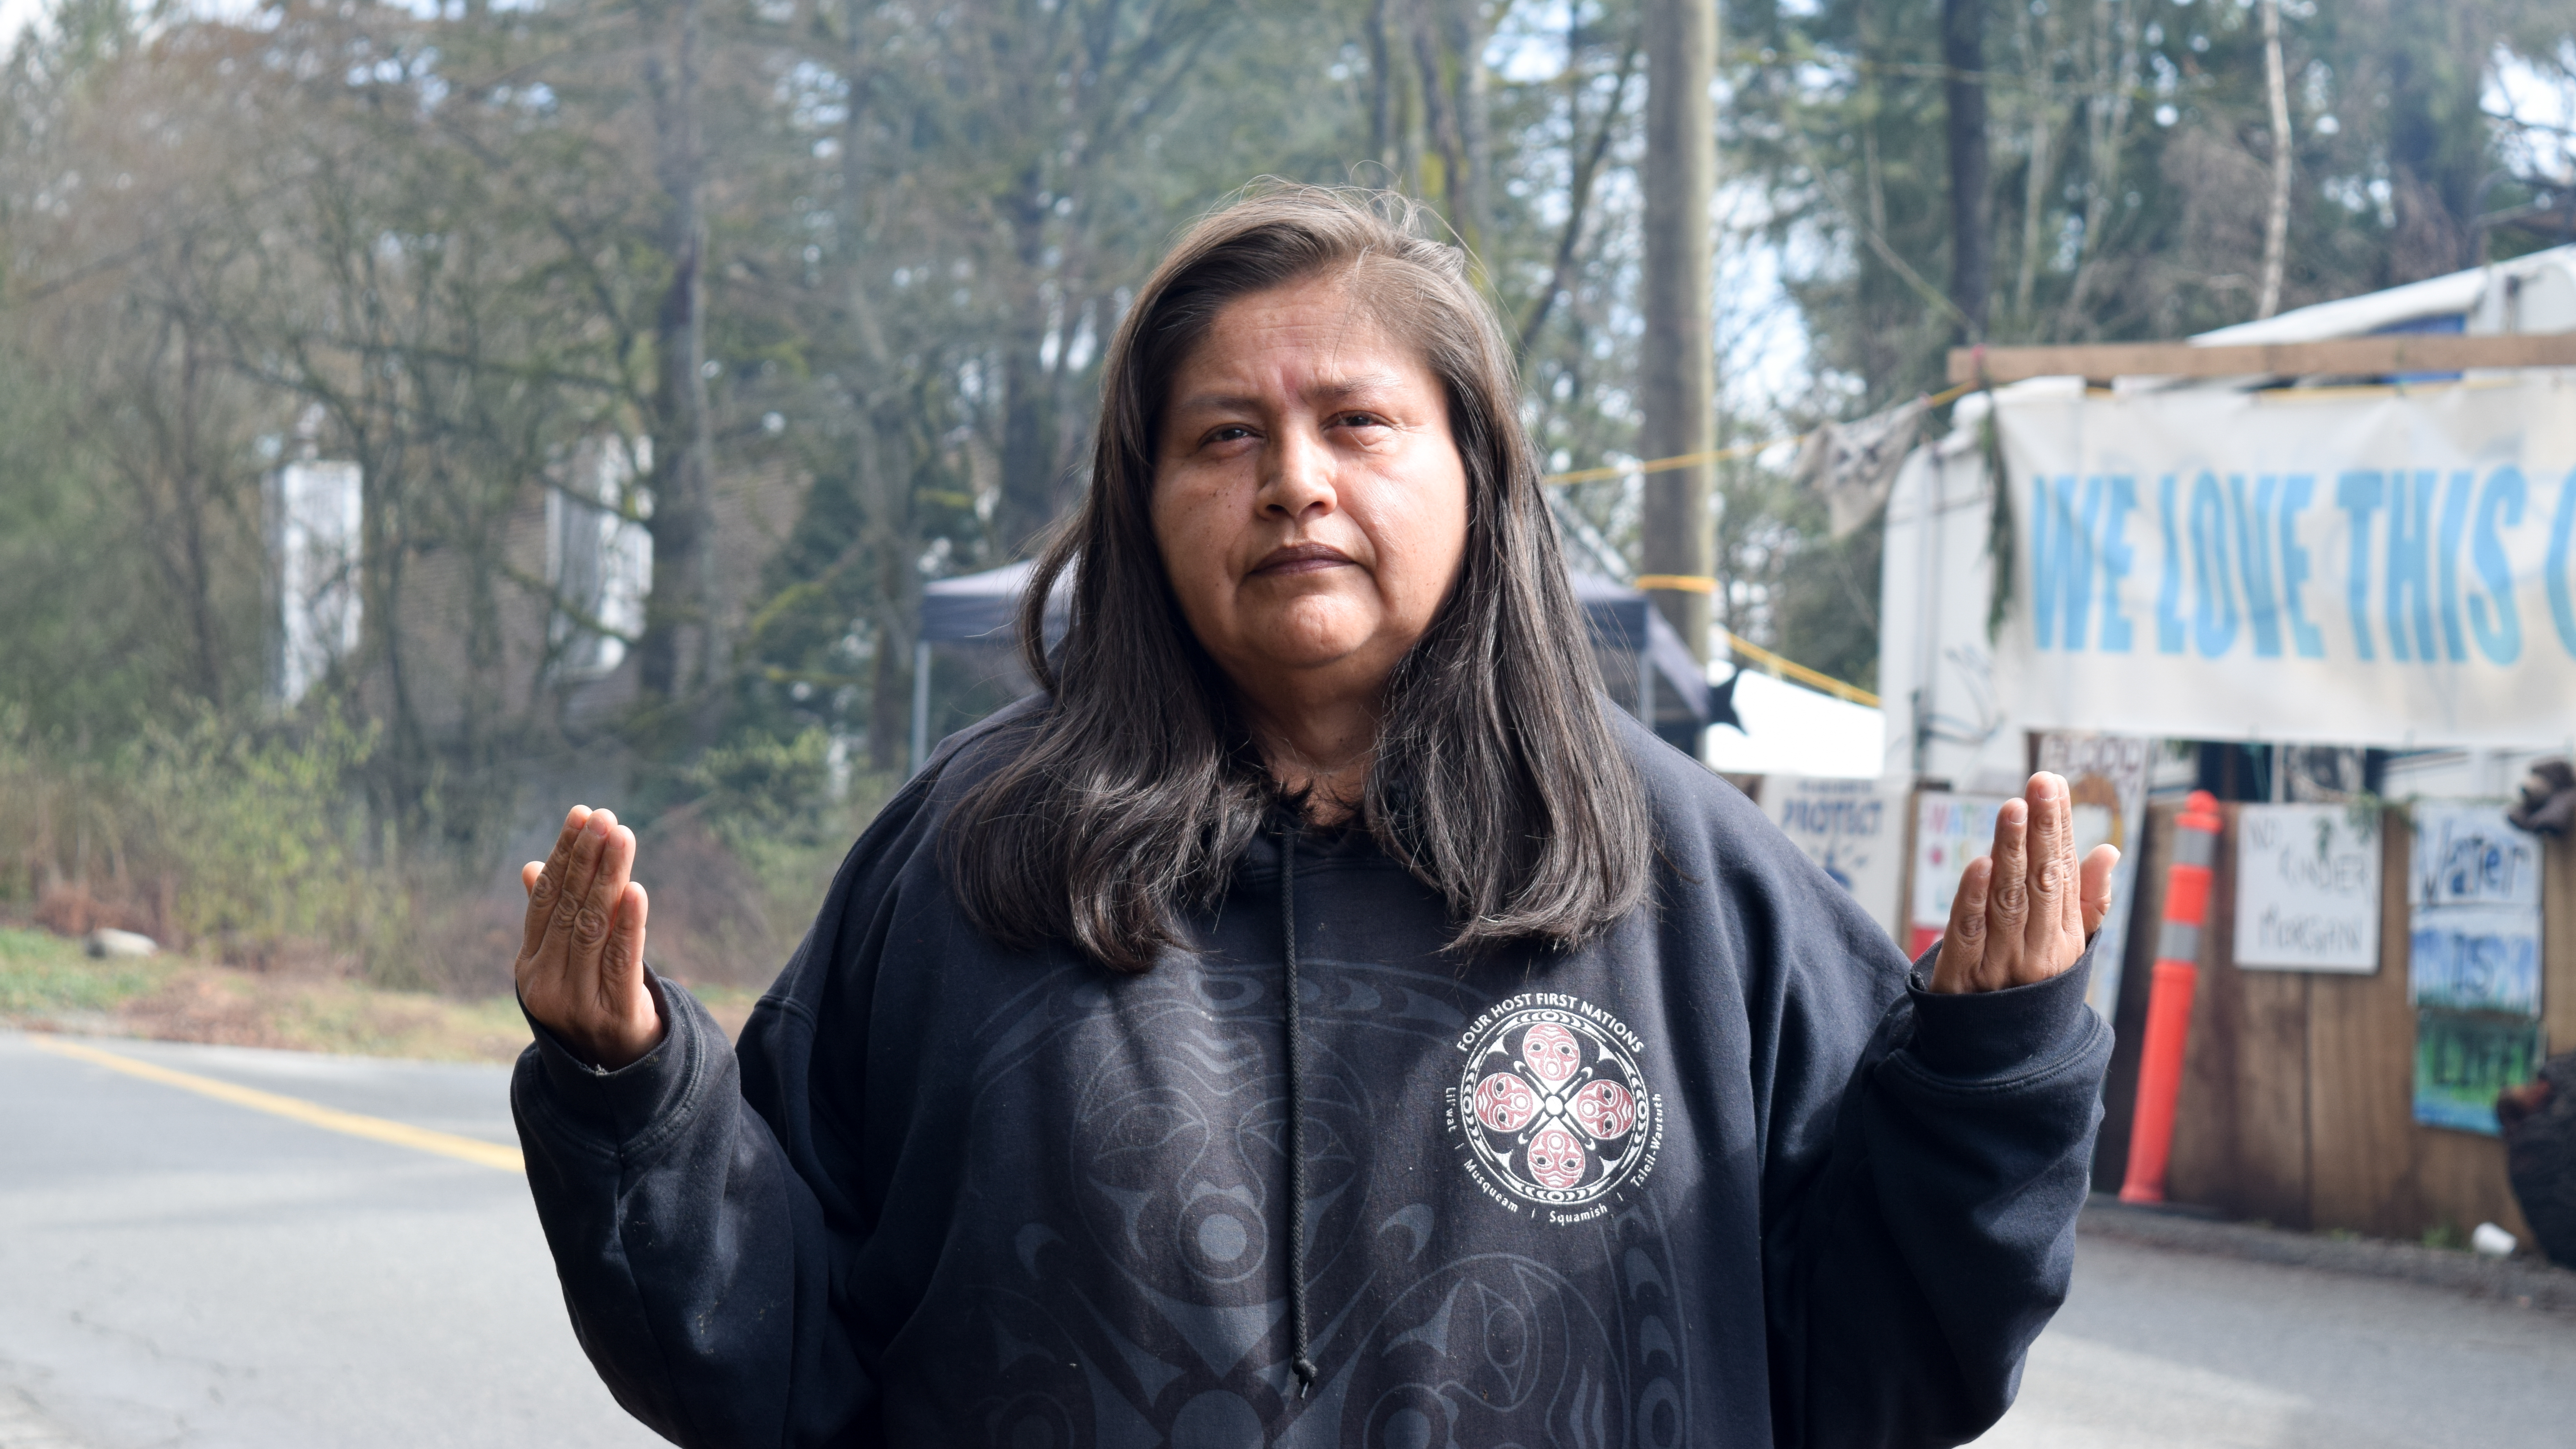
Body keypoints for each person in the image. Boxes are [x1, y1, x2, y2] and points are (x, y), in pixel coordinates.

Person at [510, 186, 2119, 1448]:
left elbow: (1880, 1378)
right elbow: (777, 1366)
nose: (1295, 481)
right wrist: (630, 1098)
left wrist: (1988, 1076)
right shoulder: (968, 864)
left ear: (1475, 471)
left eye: (1357, 422)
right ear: (1144, 507)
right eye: (1226, 436)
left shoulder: (1696, 882)